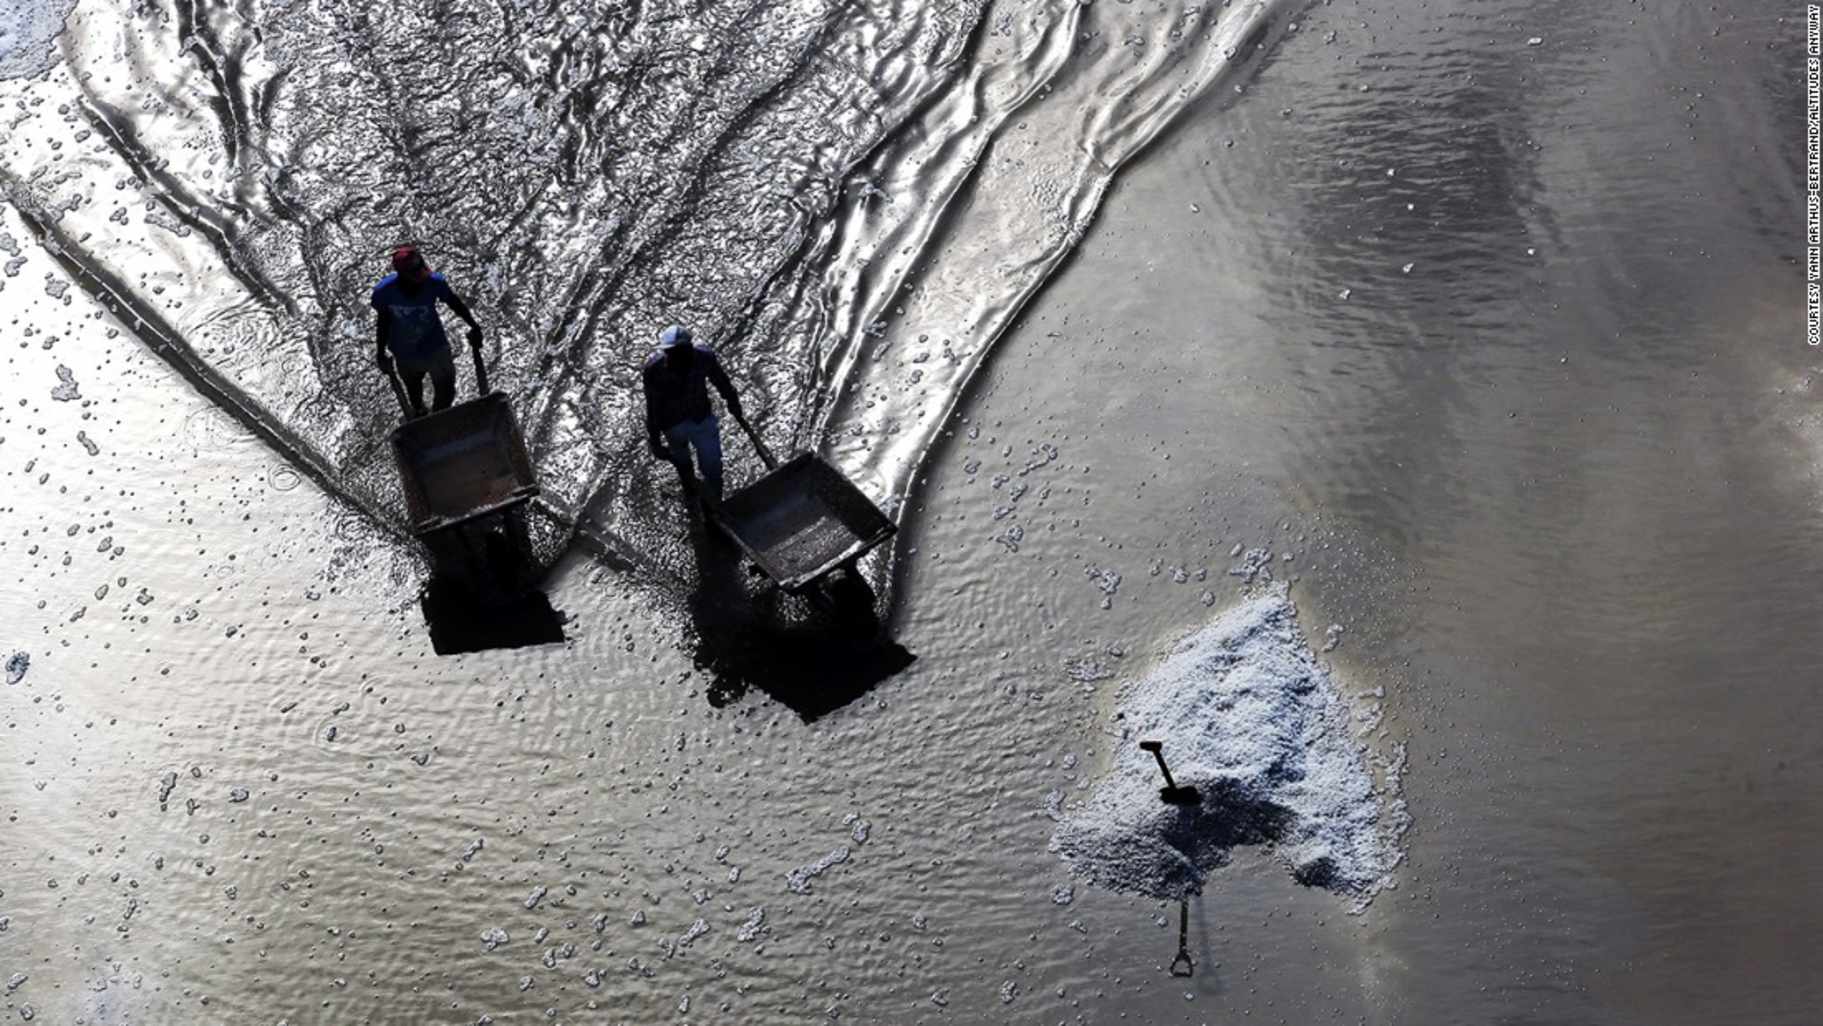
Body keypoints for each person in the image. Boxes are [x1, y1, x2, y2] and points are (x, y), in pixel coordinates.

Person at [642, 325, 746, 510]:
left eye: (681, 351)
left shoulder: (704, 357)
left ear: (690, 348)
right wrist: (655, 441)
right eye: (672, 353)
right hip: (672, 424)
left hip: (701, 417)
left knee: (712, 466)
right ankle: (692, 498)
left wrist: (733, 403)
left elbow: (721, 381)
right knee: (683, 464)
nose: (677, 357)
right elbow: (652, 407)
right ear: (665, 353)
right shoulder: (653, 370)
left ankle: (716, 506)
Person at [372, 245, 484, 416]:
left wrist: (474, 326)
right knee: (414, 391)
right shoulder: (385, 292)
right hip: (404, 351)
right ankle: (420, 412)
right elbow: (383, 321)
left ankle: (439, 418)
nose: (420, 278)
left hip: (434, 346)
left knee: (446, 390)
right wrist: (380, 353)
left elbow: (454, 303)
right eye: (414, 275)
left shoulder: (434, 283)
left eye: (421, 271)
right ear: (402, 275)